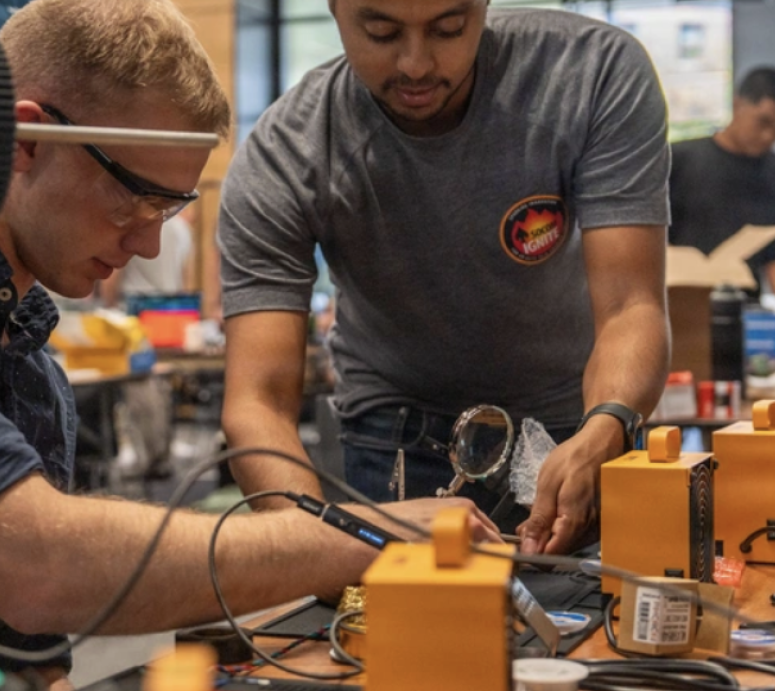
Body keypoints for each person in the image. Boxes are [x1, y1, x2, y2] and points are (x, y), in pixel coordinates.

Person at [0, 2, 493, 690]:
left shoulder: (30, 358)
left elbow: (25, 639)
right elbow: (37, 566)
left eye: (169, 207)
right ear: (26, 140)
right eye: (134, 196)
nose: (149, 244)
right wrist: (361, 534)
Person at [218, 0, 672, 557]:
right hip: (397, 437)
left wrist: (607, 426)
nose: (416, 64)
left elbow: (632, 306)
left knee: (589, 608)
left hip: (576, 424)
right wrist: (311, 545)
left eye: (448, 29)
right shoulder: (288, 155)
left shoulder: (589, 73)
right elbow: (257, 403)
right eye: (381, 32)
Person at [668, 67, 775, 313]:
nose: (769, 136)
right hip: (674, 302)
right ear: (737, 105)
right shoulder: (675, 161)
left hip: (742, 310)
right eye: (763, 122)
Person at [100, 203, 198, 308]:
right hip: (170, 305)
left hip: (134, 306)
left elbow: (113, 271)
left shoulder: (132, 223)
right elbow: (188, 279)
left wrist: (108, 306)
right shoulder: (184, 229)